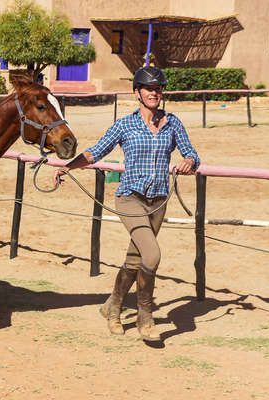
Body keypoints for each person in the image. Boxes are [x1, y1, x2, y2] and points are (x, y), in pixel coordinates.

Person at [53, 66, 201, 342]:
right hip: (130, 198)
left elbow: (191, 153)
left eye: (158, 89)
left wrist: (189, 162)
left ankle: (113, 306)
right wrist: (68, 167)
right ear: (138, 93)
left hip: (158, 201)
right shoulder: (124, 125)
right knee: (153, 255)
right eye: (149, 89)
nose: (154, 93)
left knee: (136, 259)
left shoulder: (173, 123)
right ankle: (146, 318)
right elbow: (96, 152)